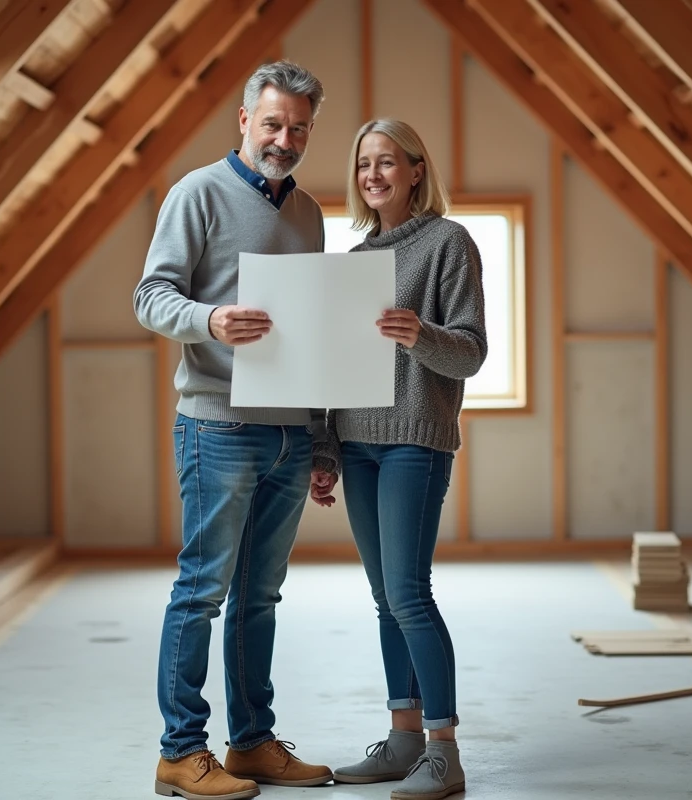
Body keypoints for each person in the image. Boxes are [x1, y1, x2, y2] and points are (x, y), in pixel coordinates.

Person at [134, 61, 334, 800]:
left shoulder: (309, 214)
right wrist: (209, 319)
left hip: (287, 434)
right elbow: (150, 295)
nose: (285, 138)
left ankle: (250, 743)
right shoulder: (197, 194)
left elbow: (312, 335)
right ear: (243, 121)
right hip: (216, 426)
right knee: (201, 593)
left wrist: (317, 442)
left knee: (259, 597)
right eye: (273, 123)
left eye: (299, 128)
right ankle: (179, 754)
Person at [310, 119, 487, 800]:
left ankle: (444, 750)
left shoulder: (448, 243)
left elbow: (470, 350)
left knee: (410, 594)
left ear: (417, 170)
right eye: (363, 165)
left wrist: (419, 333)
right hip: (356, 443)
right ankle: (404, 737)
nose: (373, 175)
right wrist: (325, 449)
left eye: (387, 162)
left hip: (417, 436)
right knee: (385, 600)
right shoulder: (354, 262)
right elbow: (332, 364)